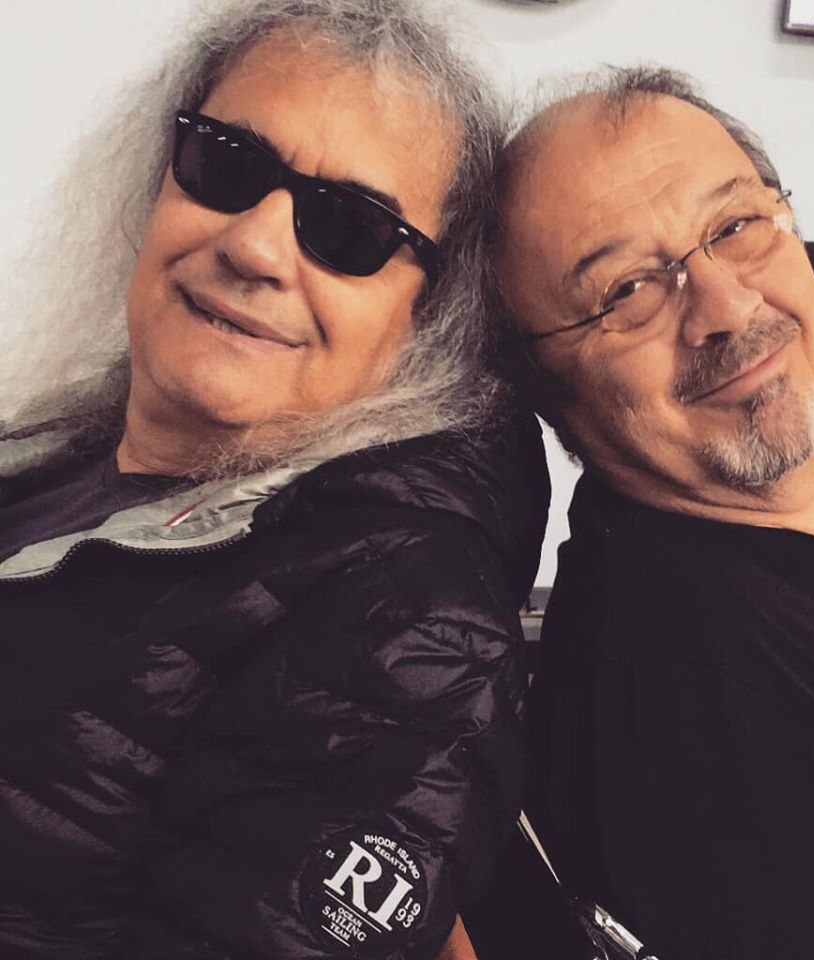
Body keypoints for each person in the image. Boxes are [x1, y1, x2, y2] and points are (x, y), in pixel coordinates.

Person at [0, 1, 549, 957]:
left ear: (427, 318)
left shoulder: (408, 627)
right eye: (228, 165)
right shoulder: (57, 449)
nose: (255, 246)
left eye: (351, 227)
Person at [492, 65, 814, 958]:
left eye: (737, 226)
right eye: (626, 291)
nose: (728, 308)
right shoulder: (693, 696)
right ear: (541, 386)